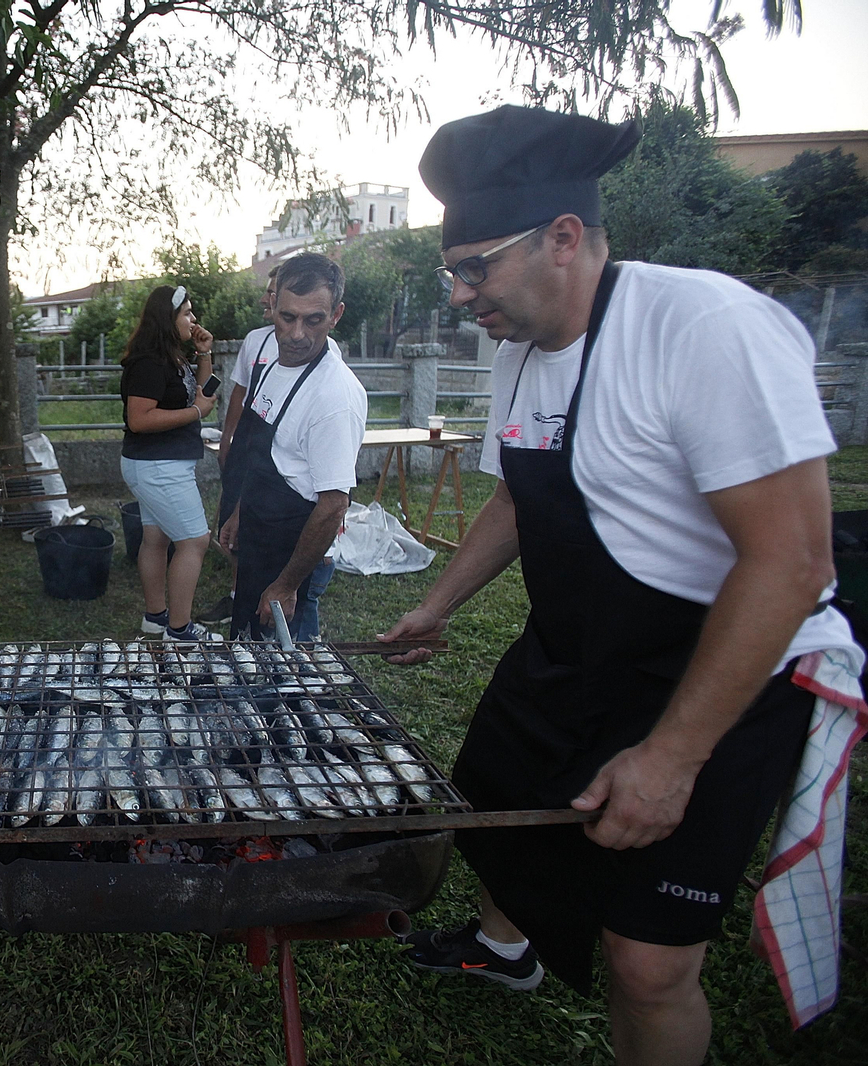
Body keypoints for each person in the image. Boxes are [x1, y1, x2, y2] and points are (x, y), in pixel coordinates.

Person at [380, 106, 864, 1065]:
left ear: (563, 237)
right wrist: (434, 607)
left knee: (646, 964)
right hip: (575, 650)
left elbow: (791, 562)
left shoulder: (703, 328)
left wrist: (674, 757)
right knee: (496, 811)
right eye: (452, 272)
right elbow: (518, 499)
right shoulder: (520, 355)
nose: (461, 295)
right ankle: (503, 948)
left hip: (717, 671)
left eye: (475, 268)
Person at [217, 252, 365, 641]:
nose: (297, 334)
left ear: (336, 315)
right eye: (287, 317)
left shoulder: (335, 396)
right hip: (258, 536)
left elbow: (333, 505)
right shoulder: (271, 367)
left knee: (283, 666)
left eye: (313, 320)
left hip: (292, 552)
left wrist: (287, 585)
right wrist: (240, 512)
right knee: (246, 650)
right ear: (272, 305)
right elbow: (265, 457)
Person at [118, 284, 218, 642]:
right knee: (195, 541)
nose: (194, 318)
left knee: (156, 537)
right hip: (159, 465)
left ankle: (156, 617)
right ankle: (179, 630)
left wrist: (204, 354)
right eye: (187, 313)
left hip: (158, 463)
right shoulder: (149, 362)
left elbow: (201, 395)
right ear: (167, 317)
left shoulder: (172, 356)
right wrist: (196, 413)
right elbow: (139, 419)